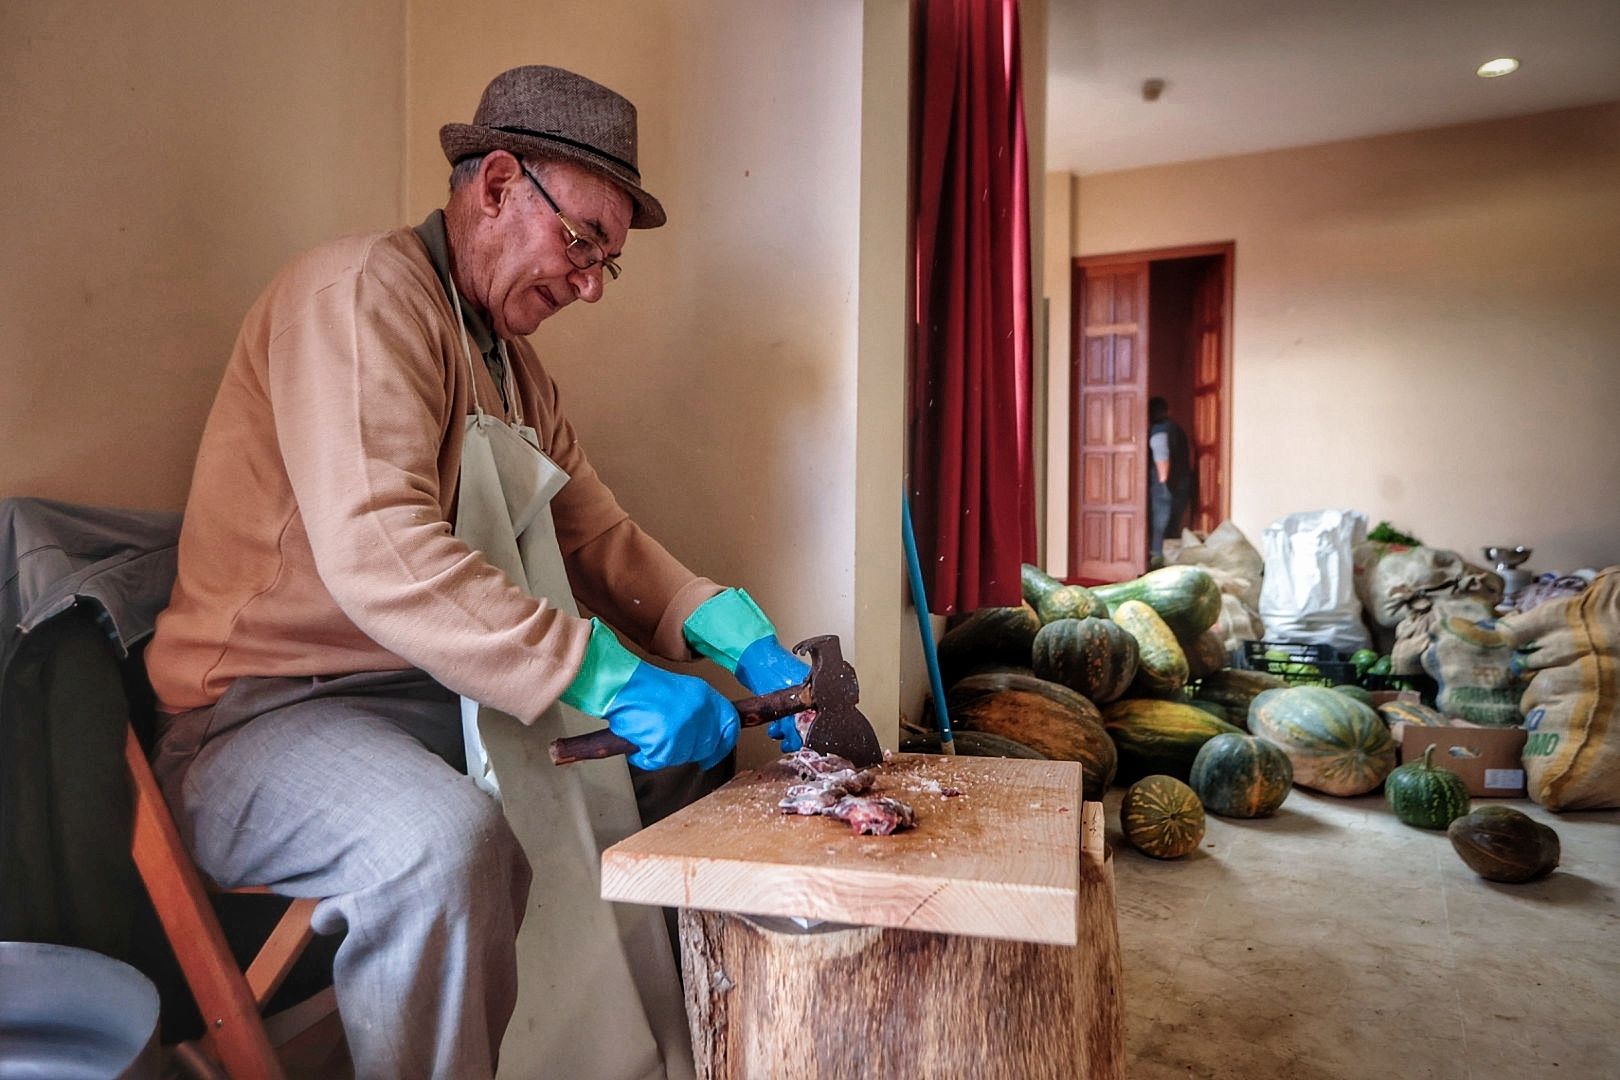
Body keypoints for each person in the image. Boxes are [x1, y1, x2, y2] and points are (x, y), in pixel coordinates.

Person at [143, 65, 809, 1080]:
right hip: (255, 724)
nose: (588, 283)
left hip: (425, 703)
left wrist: (725, 627)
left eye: (605, 263)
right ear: (497, 185)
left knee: (665, 775)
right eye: (581, 242)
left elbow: (597, 536)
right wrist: (609, 679)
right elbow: (383, 551)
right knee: (444, 847)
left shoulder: (511, 366)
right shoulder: (361, 295)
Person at [1147, 395, 1192, 560]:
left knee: (1160, 528)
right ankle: (1171, 562)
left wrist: (1163, 478)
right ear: (1168, 410)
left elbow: (1161, 454)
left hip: (1165, 486)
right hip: (1182, 483)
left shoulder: (1159, 429)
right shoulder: (1176, 428)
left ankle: (1157, 562)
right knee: (1173, 527)